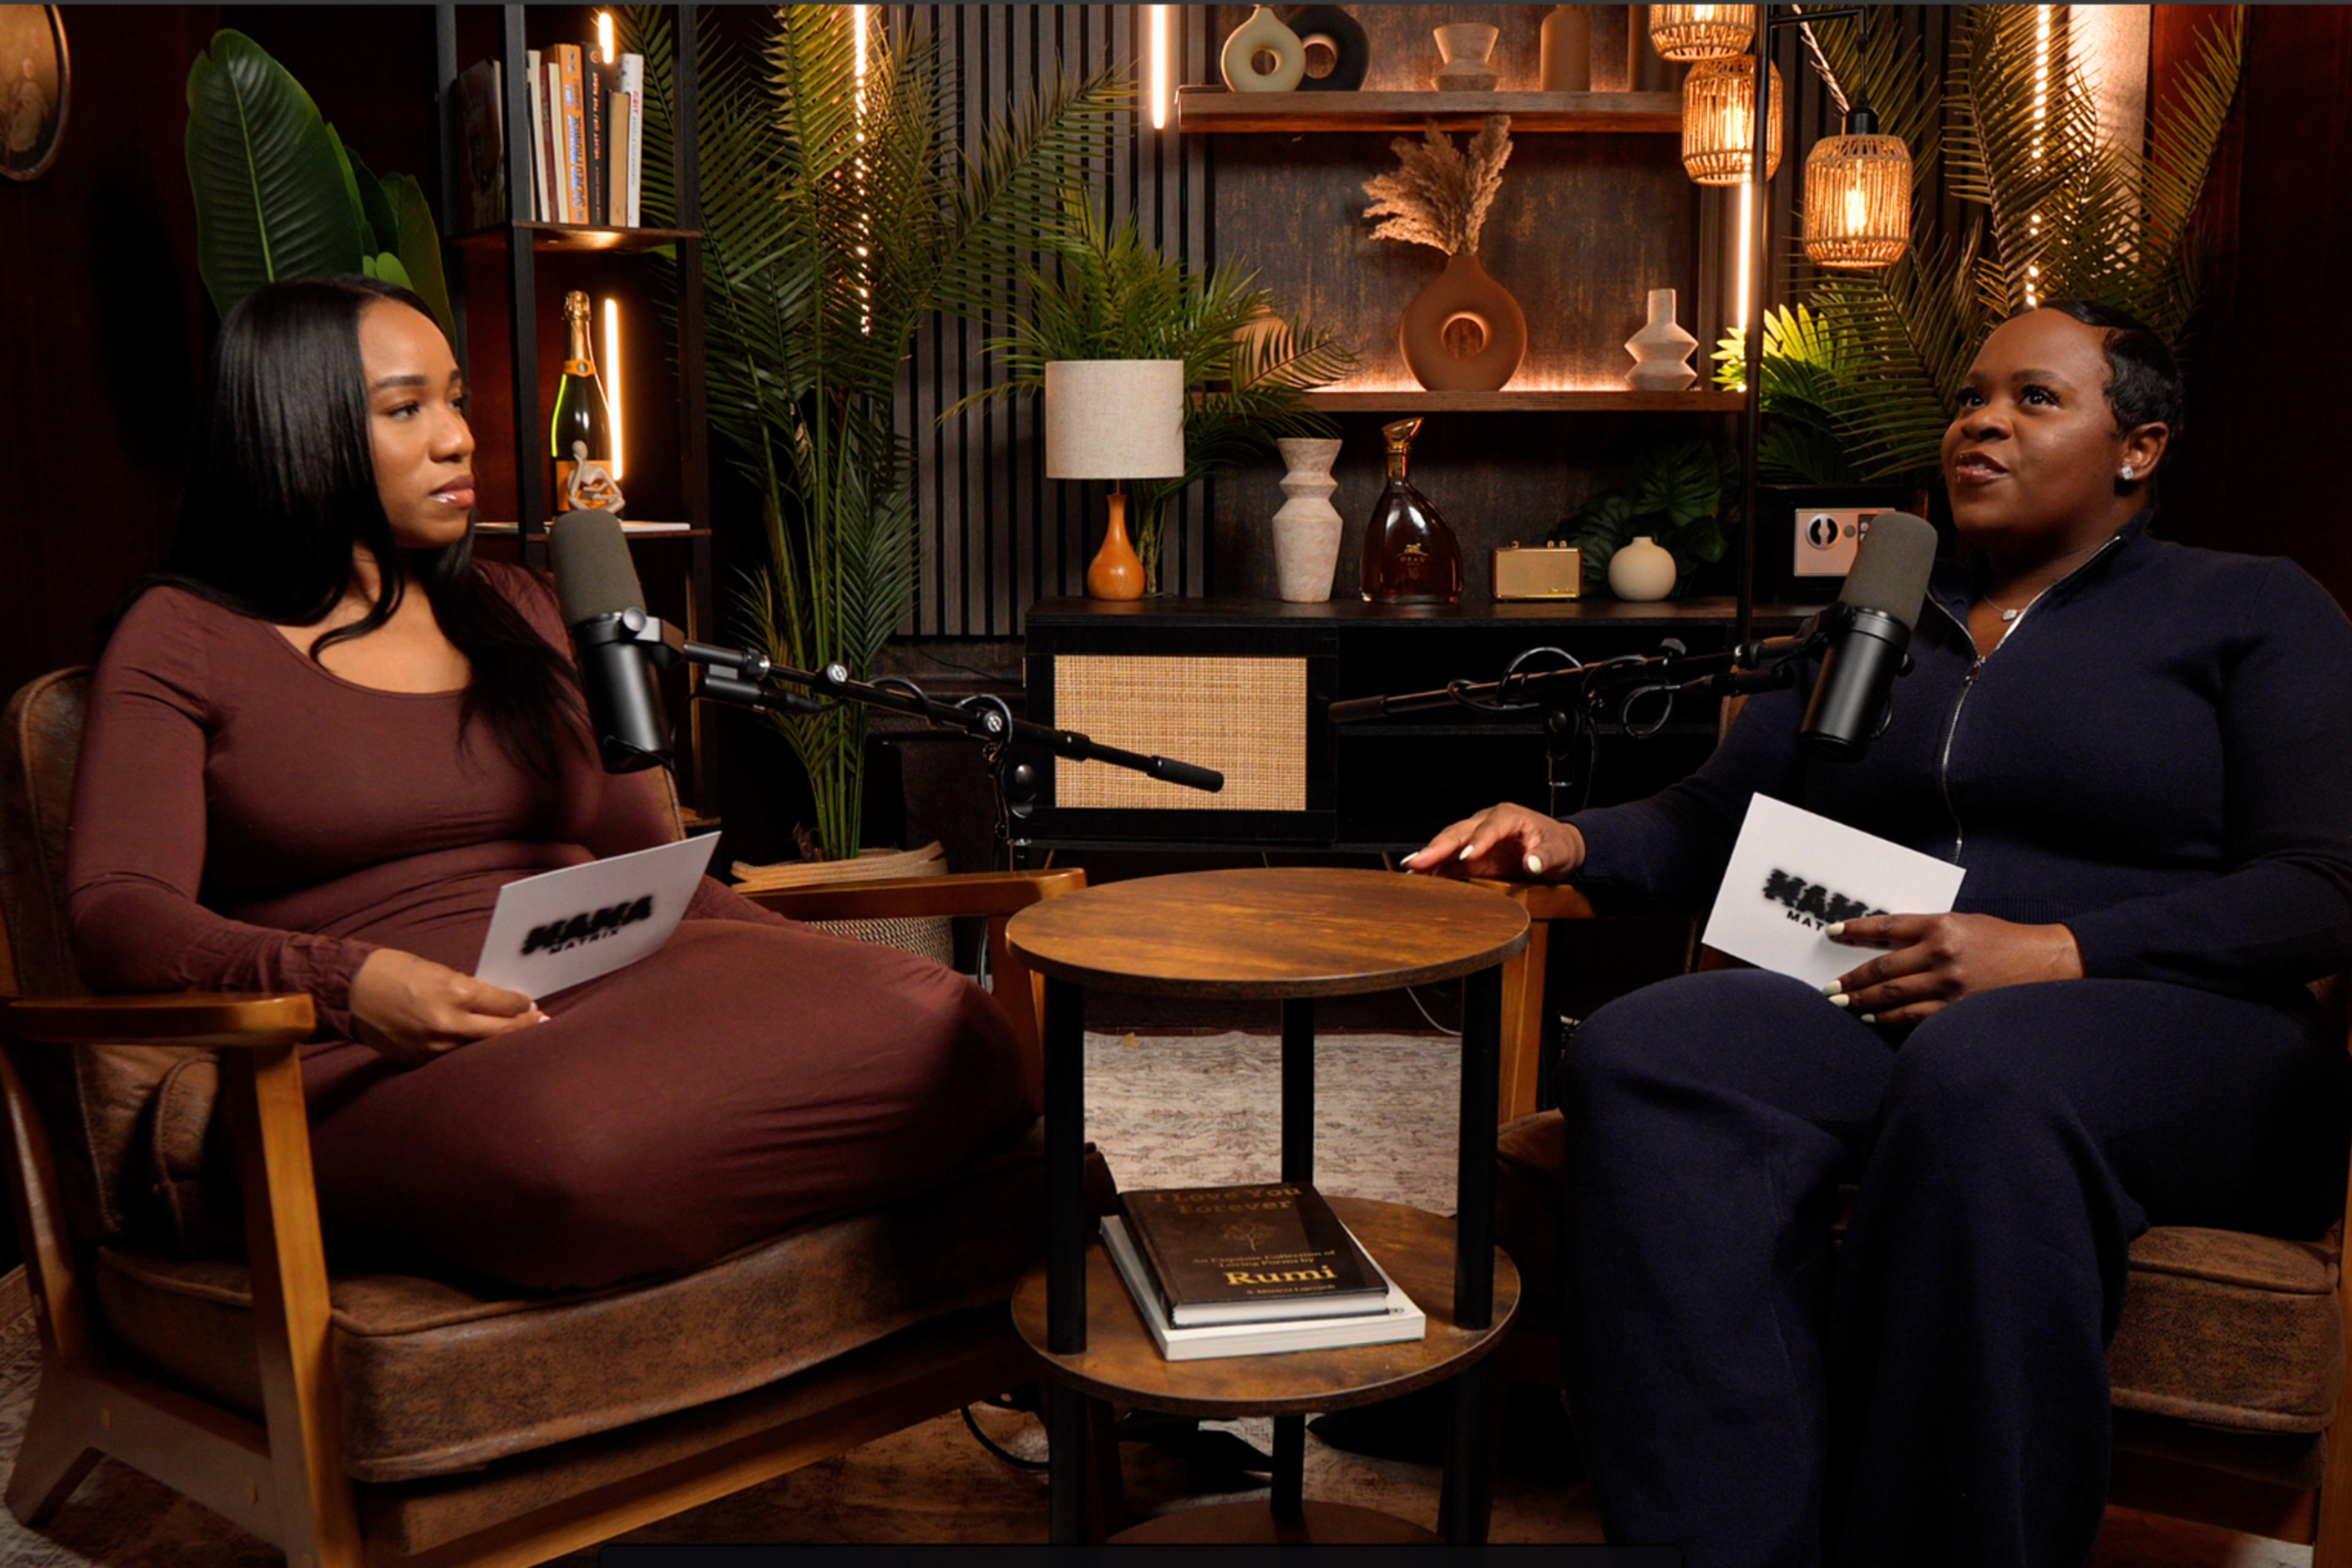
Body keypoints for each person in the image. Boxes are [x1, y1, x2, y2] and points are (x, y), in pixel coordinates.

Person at [1403, 301, 2352, 1566]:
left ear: (2141, 447)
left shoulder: (2251, 610)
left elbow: (2323, 881)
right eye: (1971, 398)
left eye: (2034, 399)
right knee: (1651, 1051)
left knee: (1988, 1071)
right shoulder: (1885, 614)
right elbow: (1714, 815)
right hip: (1907, 997)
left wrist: (2058, 947)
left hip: (2188, 1026)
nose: (1981, 424)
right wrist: (1571, 837)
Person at [64, 276, 1034, 1294]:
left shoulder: (517, 608)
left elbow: (645, 866)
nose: (456, 439)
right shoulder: (183, 638)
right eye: (406, 410)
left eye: (455, 402)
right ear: (295, 432)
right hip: (380, 1055)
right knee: (591, 1153)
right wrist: (347, 984)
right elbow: (117, 914)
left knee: (953, 1028)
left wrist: (816, 973)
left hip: (618, 981)